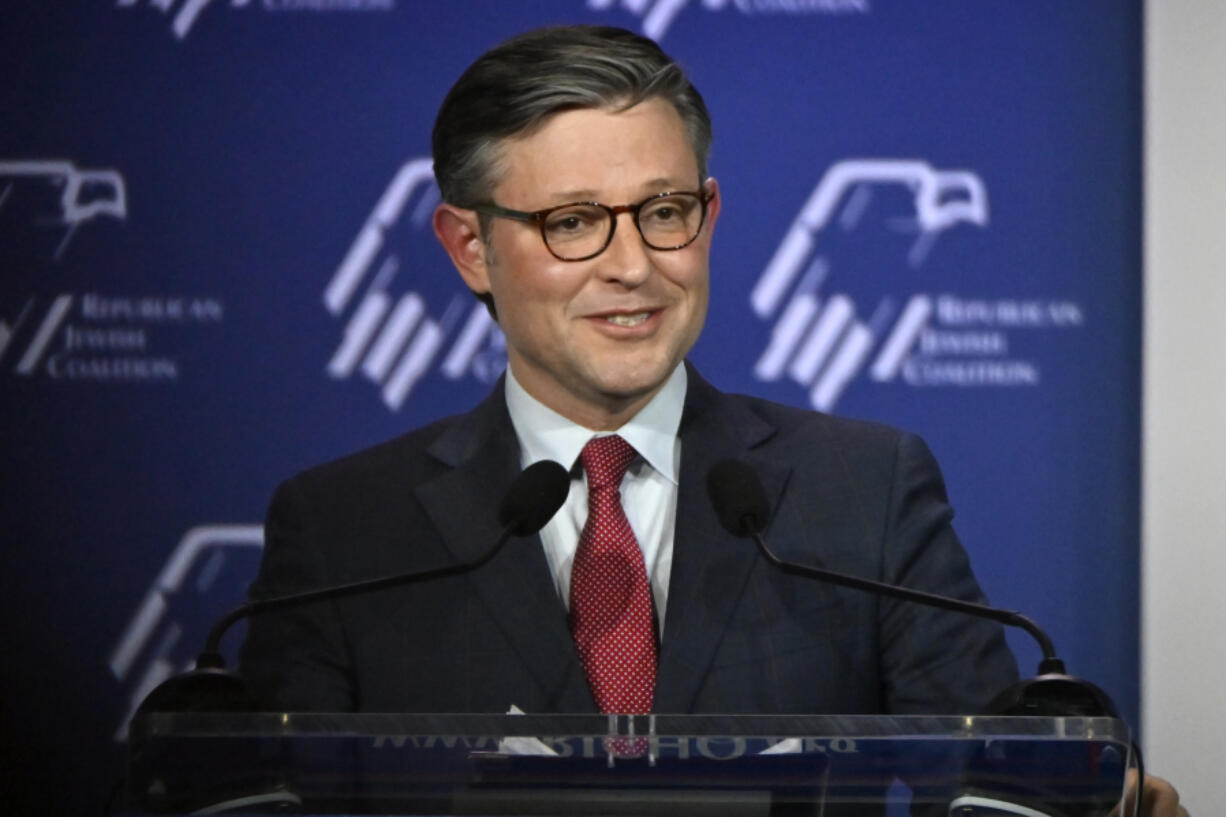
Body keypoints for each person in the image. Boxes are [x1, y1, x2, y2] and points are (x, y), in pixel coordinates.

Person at [239, 25, 1186, 816]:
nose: (632, 264)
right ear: (470, 248)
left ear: (710, 214)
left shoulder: (866, 489)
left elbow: (994, 779)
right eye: (573, 221)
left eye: (663, 210)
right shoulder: (343, 531)